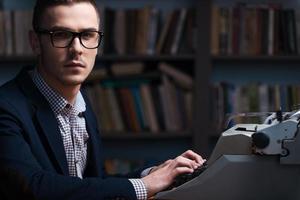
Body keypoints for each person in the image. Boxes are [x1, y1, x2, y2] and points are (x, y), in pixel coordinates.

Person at [0, 0, 205, 199]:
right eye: (61, 35)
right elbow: (34, 187)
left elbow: (89, 184)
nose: (77, 48)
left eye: (88, 35)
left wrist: (153, 174)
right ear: (35, 42)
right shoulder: (5, 106)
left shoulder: (81, 103)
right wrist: (145, 186)